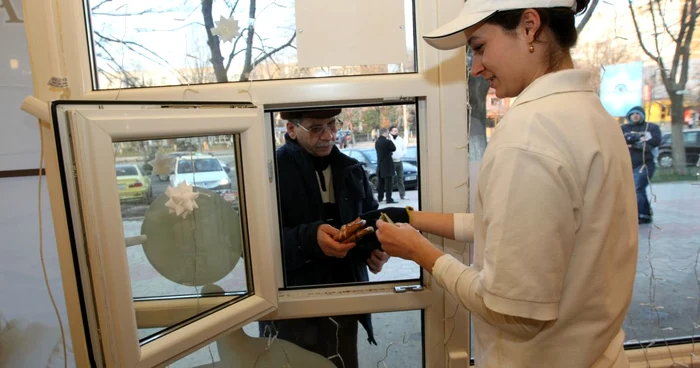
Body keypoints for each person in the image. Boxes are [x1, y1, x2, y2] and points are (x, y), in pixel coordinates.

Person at [367, 1, 639, 367]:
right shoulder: (592, 115)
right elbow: (507, 229)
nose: (476, 67)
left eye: (479, 47)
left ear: (529, 26)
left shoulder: (531, 132)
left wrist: (421, 253)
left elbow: (513, 312)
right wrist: (413, 218)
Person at [259, 108, 390, 368]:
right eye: (316, 128)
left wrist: (376, 251)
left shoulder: (351, 168)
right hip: (291, 308)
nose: (329, 136)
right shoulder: (269, 174)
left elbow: (371, 221)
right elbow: (252, 247)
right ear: (292, 129)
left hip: (344, 302)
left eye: (332, 125)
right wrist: (309, 239)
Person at [622, 106, 661, 224]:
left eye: (637, 114)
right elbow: (619, 140)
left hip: (645, 164)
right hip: (629, 164)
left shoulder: (651, 127)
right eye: (632, 114)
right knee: (637, 189)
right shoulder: (624, 128)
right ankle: (646, 213)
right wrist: (635, 139)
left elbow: (655, 141)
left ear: (642, 115)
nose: (635, 116)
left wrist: (633, 143)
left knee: (637, 187)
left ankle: (642, 214)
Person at [375, 128, 397, 204]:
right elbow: (394, 148)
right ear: (385, 133)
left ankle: (380, 197)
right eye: (387, 133)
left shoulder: (377, 142)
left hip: (380, 164)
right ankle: (388, 198)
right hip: (387, 165)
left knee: (380, 183)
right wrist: (390, 140)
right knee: (388, 183)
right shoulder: (387, 141)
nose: (388, 134)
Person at [389, 126, 407, 200]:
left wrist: (402, 154)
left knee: (400, 179)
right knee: (391, 180)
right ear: (391, 132)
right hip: (392, 162)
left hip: (399, 161)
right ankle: (389, 196)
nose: (396, 132)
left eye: (397, 130)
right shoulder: (389, 139)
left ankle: (402, 195)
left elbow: (404, 148)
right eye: (394, 131)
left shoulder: (400, 139)